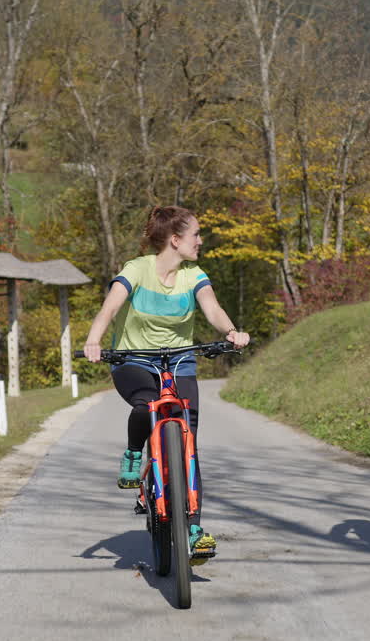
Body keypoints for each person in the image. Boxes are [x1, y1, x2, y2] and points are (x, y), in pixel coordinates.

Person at [82, 205, 250, 563]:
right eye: (196, 235)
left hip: (179, 361)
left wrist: (231, 331)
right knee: (146, 405)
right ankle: (132, 453)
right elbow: (110, 308)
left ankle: (193, 528)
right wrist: (94, 340)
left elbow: (213, 309)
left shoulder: (194, 274)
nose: (200, 241)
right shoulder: (137, 269)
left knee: (188, 442)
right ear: (175, 240)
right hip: (134, 359)